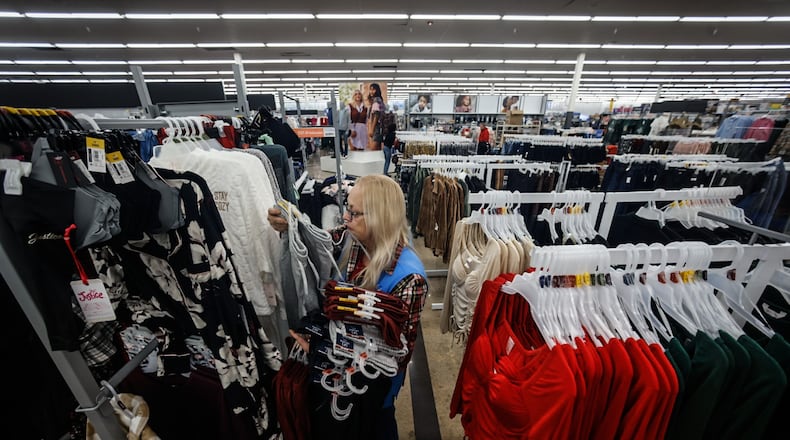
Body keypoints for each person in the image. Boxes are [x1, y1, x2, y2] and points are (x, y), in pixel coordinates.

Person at [267, 175, 427, 440]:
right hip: (336, 382)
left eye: (353, 212)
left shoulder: (410, 278)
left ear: (379, 217)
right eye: (346, 208)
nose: (344, 217)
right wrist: (290, 225)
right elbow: (318, 238)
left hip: (372, 394)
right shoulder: (350, 240)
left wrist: (320, 350)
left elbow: (396, 358)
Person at [367, 83, 385, 150]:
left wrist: (371, 129)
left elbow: (376, 116)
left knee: (373, 149)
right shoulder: (378, 100)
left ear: (377, 90)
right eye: (370, 89)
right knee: (377, 149)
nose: (371, 91)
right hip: (379, 127)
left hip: (376, 128)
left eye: (373, 89)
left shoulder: (376, 100)